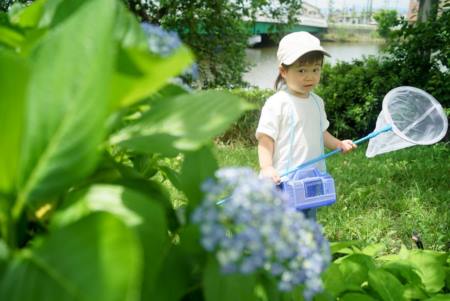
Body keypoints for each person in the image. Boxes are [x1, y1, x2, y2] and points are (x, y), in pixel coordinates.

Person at [255, 31, 356, 219]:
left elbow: (321, 133)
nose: (309, 77)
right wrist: (267, 167)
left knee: (308, 217)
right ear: (284, 71)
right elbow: (265, 139)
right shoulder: (278, 103)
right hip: (283, 180)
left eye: (315, 69)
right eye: (302, 70)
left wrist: (338, 144)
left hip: (311, 177)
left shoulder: (317, 102)